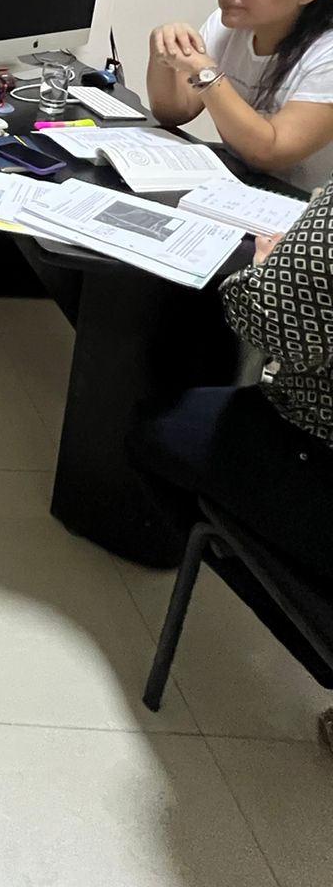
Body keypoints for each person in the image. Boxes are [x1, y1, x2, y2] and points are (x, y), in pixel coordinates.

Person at [127, 187, 333, 682]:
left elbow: (267, 318)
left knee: (155, 430)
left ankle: (317, 636)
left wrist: (267, 268)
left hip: (317, 447)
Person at [148, 0, 333, 193]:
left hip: (302, 204)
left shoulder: (326, 53)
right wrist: (163, 51)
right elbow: (175, 112)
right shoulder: (229, 24)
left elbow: (270, 152)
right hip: (242, 183)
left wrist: (206, 73)